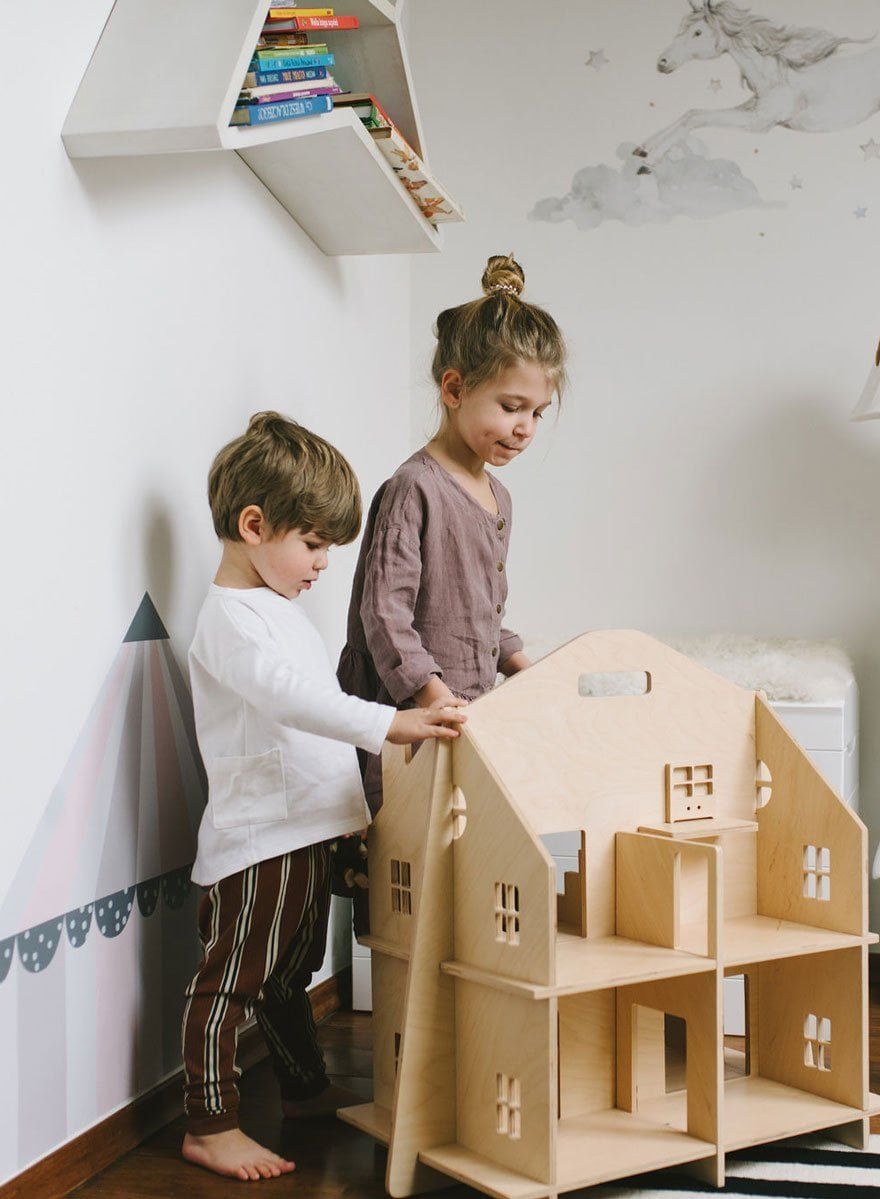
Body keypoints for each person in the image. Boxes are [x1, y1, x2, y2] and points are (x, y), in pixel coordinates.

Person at [180, 412, 466, 1181]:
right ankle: (210, 1121)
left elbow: (318, 703)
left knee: (288, 976)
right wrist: (393, 722)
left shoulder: (278, 612)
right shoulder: (232, 620)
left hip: (307, 830)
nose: (322, 563)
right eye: (313, 543)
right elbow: (294, 702)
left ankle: (304, 1088)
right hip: (261, 839)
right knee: (233, 979)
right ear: (253, 524)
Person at [339, 254, 567, 813]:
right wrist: (433, 697)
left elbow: (479, 611)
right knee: (403, 857)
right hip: (409, 717)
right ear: (454, 387)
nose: (525, 428)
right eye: (512, 407)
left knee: (465, 848)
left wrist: (522, 666)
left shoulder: (498, 498)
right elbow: (384, 615)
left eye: (538, 412)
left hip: (462, 714)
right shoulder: (414, 488)